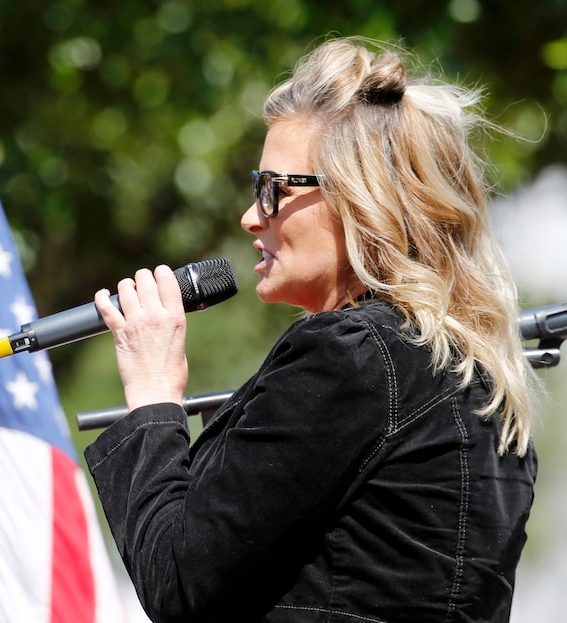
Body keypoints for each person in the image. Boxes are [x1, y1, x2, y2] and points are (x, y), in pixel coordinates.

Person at [85, 37, 538, 623]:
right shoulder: (476, 374)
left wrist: (152, 396)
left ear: (359, 198)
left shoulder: (351, 358)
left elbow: (180, 585)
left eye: (274, 190)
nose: (252, 216)